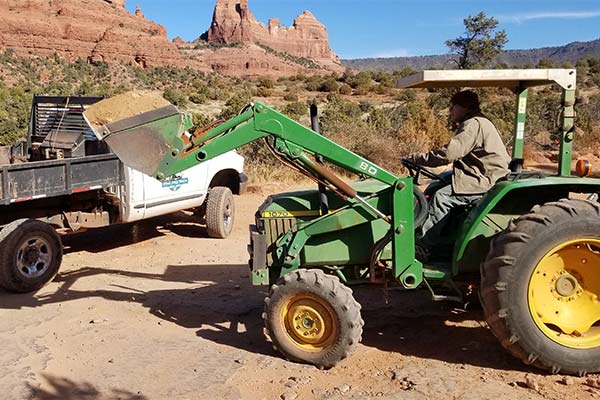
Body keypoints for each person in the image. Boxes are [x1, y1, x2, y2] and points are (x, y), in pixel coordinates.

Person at [407, 90, 511, 261]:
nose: (450, 111)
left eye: (453, 106)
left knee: (441, 197)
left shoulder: (474, 123)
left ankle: (423, 245)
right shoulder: (478, 121)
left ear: (464, 107)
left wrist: (419, 159)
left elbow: (451, 153)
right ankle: (442, 238)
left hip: (484, 179)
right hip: (478, 173)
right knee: (435, 186)